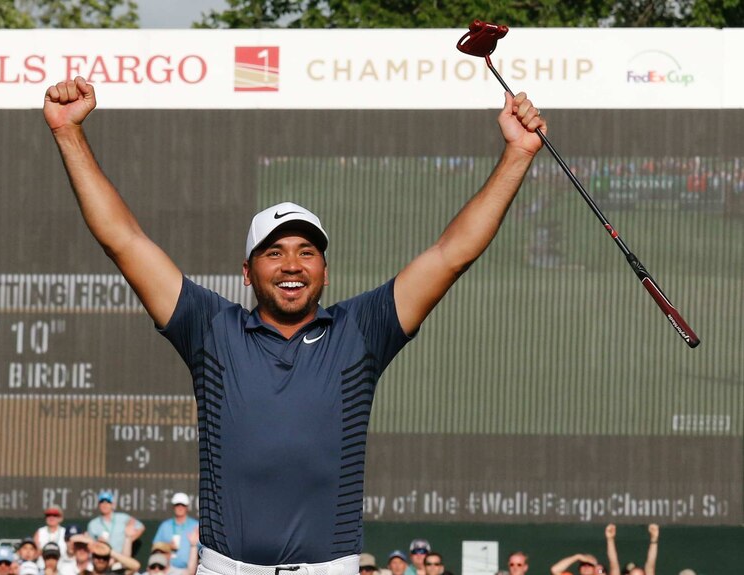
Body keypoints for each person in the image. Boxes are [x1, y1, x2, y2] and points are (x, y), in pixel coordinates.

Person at [43, 76, 546, 570]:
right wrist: (69, 133)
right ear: (247, 271)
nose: (291, 265)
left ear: (326, 272)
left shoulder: (360, 332)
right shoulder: (212, 329)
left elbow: (450, 254)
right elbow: (124, 241)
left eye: (307, 252)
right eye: (274, 252)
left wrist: (517, 155)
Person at [151, 494, 198, 575]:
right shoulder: (165, 525)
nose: (180, 507)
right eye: (177, 505)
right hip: (166, 570)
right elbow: (155, 546)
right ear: (173, 507)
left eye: (183, 505)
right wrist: (167, 546)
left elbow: (203, 549)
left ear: (187, 507)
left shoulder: (195, 526)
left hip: (189, 570)